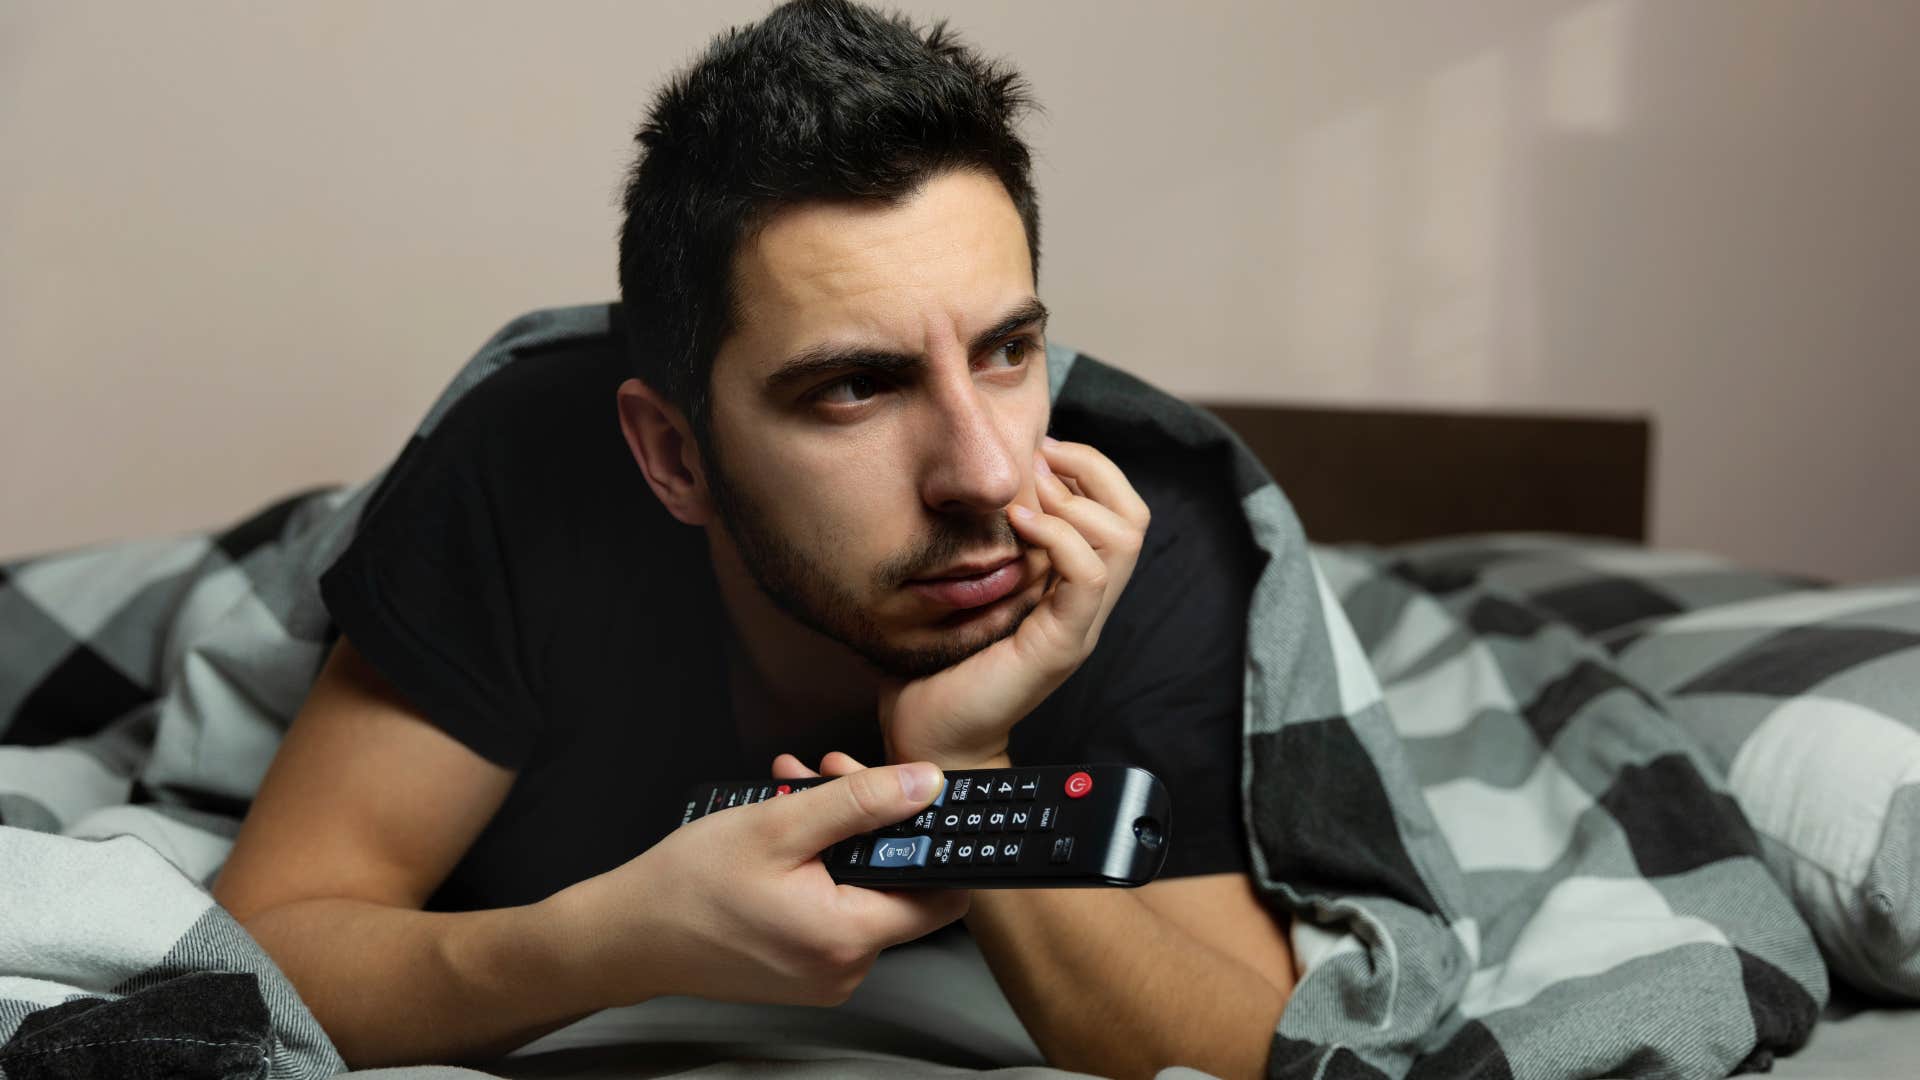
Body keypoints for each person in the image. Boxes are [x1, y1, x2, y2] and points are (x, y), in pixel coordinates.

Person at [210, 1, 1295, 1076]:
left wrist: (966, 765)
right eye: (856, 386)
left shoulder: (1141, 529)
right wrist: (608, 945)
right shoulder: (525, 468)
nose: (987, 476)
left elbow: (1254, 1050)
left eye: (1007, 350)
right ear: (674, 455)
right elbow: (261, 957)